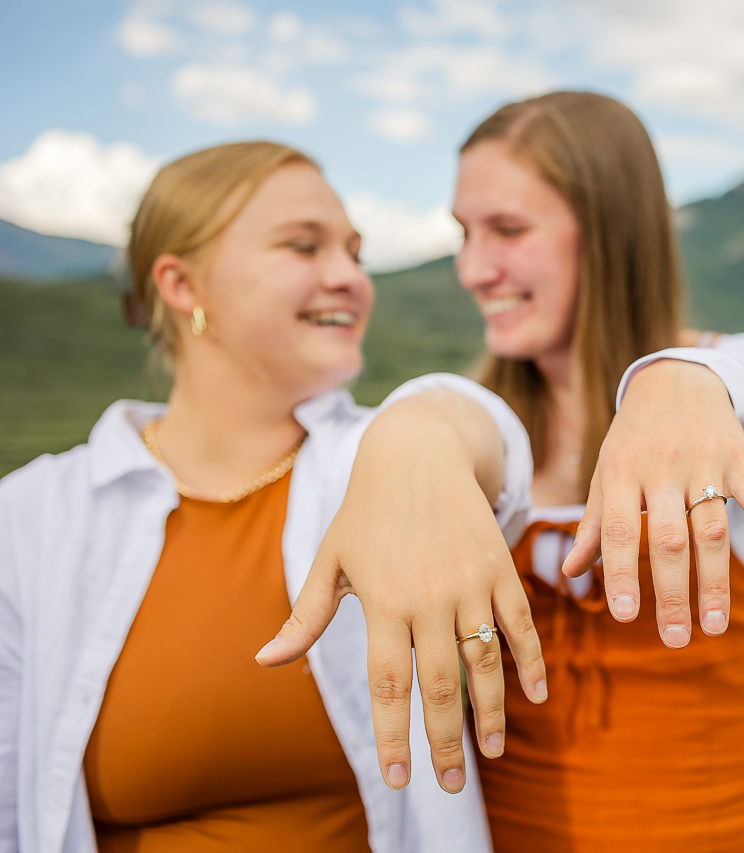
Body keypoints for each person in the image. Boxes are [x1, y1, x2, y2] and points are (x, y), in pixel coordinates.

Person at [0, 141, 548, 853]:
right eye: (304, 246)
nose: (350, 278)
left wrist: (423, 427)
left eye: (355, 252)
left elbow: (491, 443)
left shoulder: (381, 463)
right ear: (182, 285)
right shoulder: (33, 517)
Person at [449, 92, 744, 850]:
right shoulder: (476, 429)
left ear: (608, 231)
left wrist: (689, 378)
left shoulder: (725, 391)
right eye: (463, 233)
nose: (472, 267)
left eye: (508, 229)